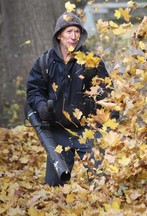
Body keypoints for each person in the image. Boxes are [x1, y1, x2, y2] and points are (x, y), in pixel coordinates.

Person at [26, 12, 115, 186]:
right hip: (57, 132)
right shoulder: (44, 62)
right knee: (54, 186)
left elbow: (106, 91)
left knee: (102, 183)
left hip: (87, 131)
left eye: (77, 32)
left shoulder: (91, 61)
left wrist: (102, 120)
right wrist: (42, 106)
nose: (74, 37)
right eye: (69, 32)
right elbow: (34, 91)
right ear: (59, 35)